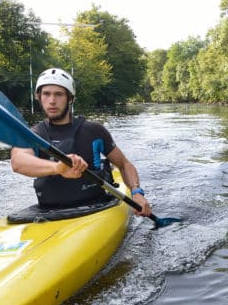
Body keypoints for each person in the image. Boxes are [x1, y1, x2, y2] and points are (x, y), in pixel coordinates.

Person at [11, 67, 152, 217]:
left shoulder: (95, 131)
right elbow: (18, 162)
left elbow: (124, 164)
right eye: (46, 94)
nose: (52, 101)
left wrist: (136, 192)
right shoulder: (33, 135)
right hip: (48, 212)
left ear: (70, 98)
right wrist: (59, 168)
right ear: (38, 97)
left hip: (96, 207)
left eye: (58, 94)